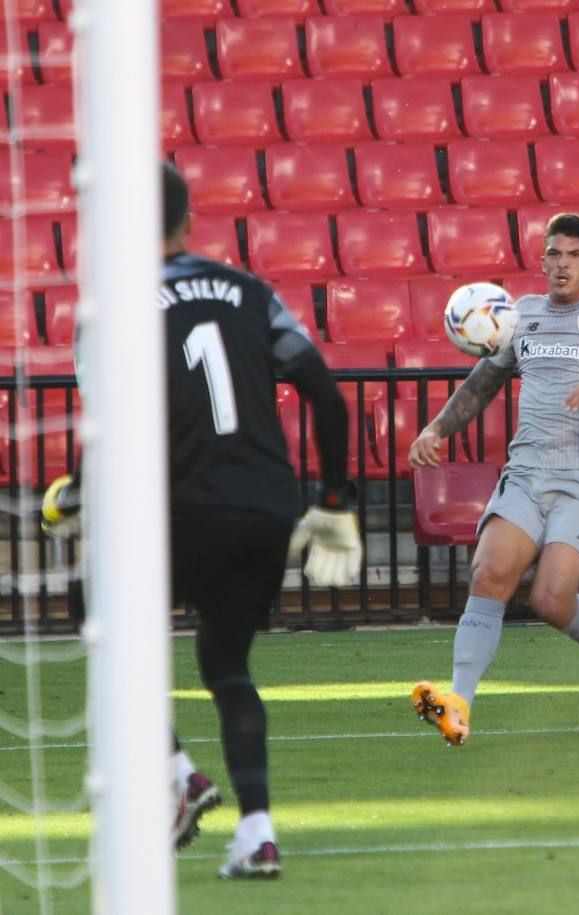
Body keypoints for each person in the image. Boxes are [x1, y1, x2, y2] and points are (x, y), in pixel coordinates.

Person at [42, 163, 362, 878]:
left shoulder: (115, 307)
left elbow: (109, 420)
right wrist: (336, 501)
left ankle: (178, 773)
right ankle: (257, 830)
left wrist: (81, 494)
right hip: (267, 507)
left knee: (94, 612)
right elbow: (327, 395)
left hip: (180, 505)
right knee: (226, 663)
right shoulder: (253, 293)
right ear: (189, 223)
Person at [407, 213, 579, 747]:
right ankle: (458, 705)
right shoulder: (520, 315)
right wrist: (436, 429)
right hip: (527, 472)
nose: (562, 264)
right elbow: (482, 384)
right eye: (553, 254)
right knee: (490, 574)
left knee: (550, 600)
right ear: (542, 259)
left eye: (574, 255)